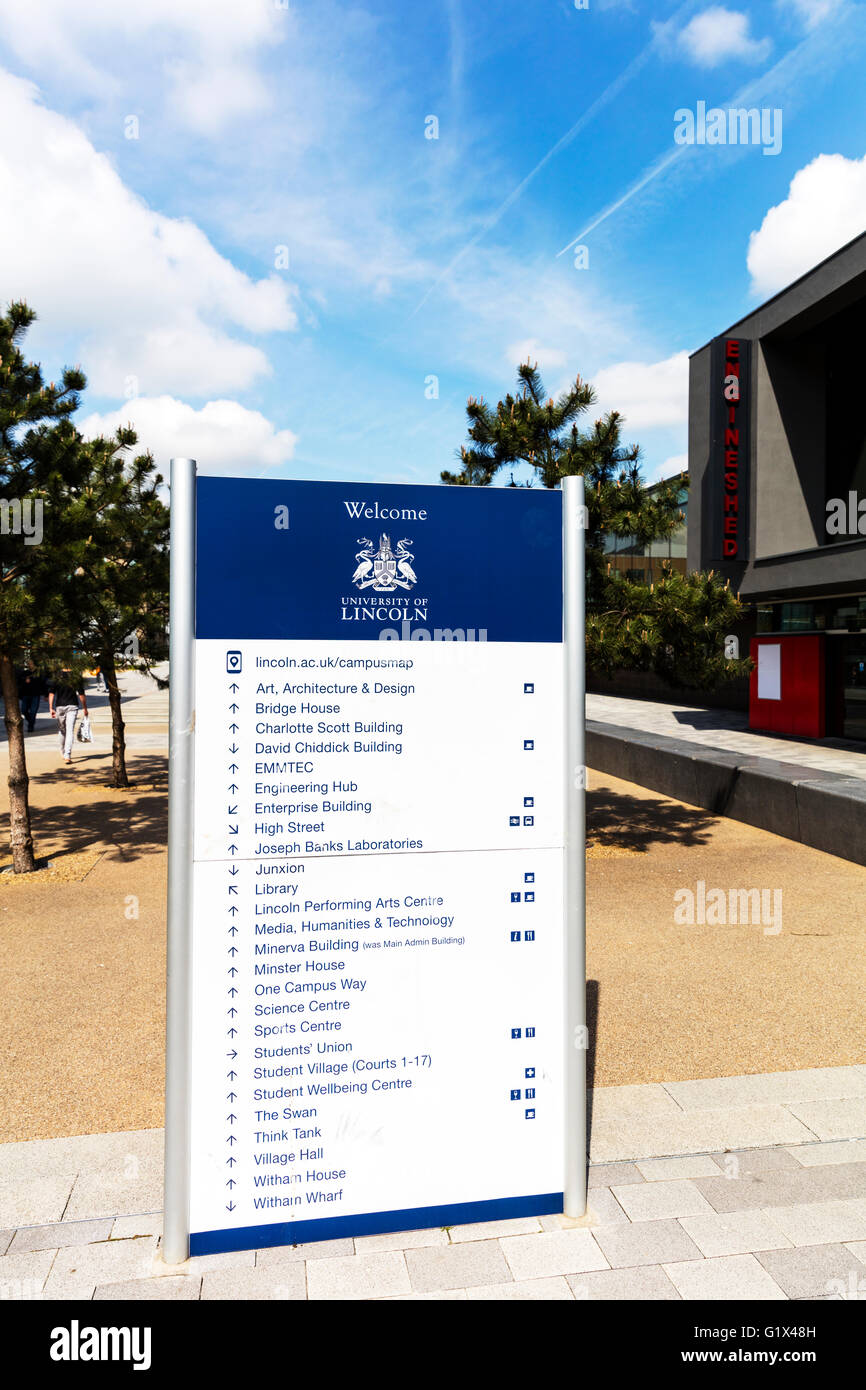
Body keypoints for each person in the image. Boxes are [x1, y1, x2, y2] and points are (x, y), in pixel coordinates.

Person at [48, 670, 89, 764]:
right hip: (72, 705)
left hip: (60, 706)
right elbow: (81, 694)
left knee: (62, 730)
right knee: (69, 731)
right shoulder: (75, 677)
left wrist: (50, 708)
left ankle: (64, 752)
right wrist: (85, 708)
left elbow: (51, 693)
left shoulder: (57, 677)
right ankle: (67, 755)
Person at [17, 662, 46, 733]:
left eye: (31, 663)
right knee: (24, 710)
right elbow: (19, 682)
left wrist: (46, 695)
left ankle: (30, 726)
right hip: (25, 695)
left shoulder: (39, 673)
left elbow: (43, 684)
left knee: (33, 711)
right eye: (29, 664)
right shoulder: (24, 673)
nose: (30, 665)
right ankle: (31, 721)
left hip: (35, 695)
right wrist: (24, 681)